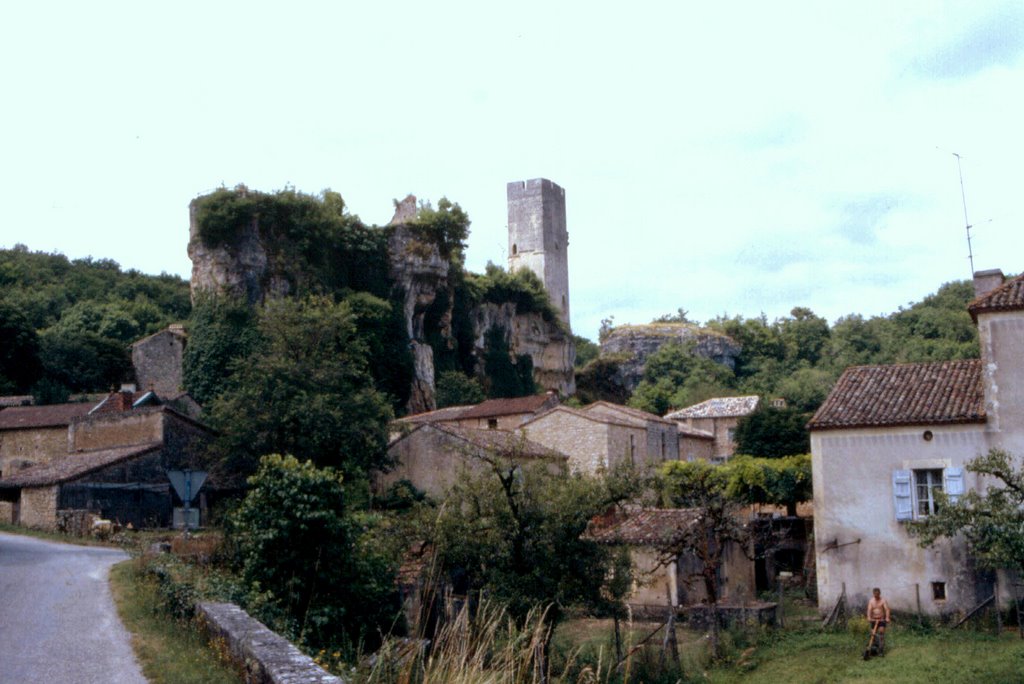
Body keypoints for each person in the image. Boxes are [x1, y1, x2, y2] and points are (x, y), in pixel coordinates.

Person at [866, 587, 892, 654]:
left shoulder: (883, 600)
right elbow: (869, 610)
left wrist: (887, 617)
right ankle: (873, 649)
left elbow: (887, 609)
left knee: (881, 633)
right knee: (873, 634)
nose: (876, 595)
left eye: (877, 594)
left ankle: (881, 650)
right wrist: (869, 617)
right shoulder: (871, 601)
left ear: (879, 593)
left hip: (881, 620)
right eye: (875, 594)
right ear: (873, 594)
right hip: (873, 620)